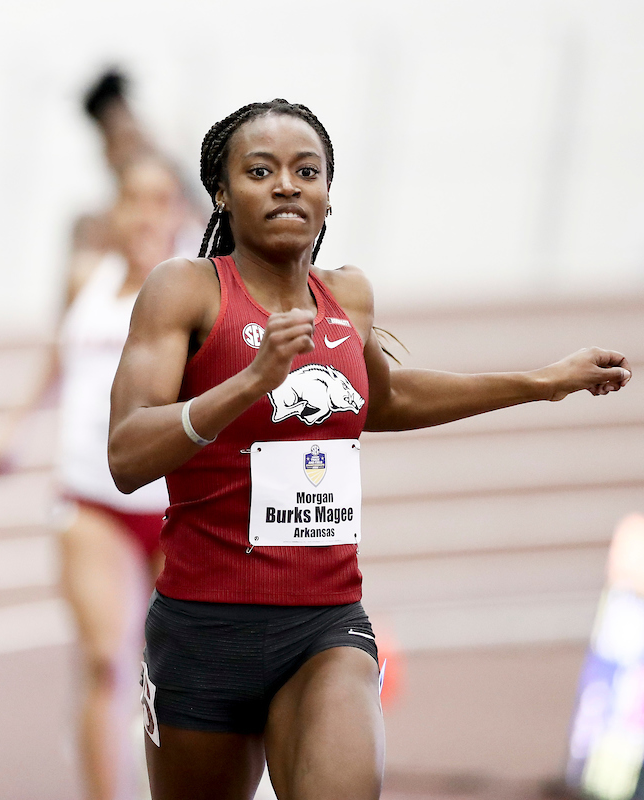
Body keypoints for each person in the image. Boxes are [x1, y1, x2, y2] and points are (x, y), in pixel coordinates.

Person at [107, 98, 632, 800]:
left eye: (307, 170)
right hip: (204, 628)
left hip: (324, 625)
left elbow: (385, 400)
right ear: (223, 193)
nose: (287, 185)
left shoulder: (348, 296)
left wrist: (541, 383)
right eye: (261, 171)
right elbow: (128, 453)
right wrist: (250, 383)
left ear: (328, 195)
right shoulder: (186, 291)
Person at [0, 73, 194, 800]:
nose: (144, 215)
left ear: (181, 215)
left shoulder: (199, 290)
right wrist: (12, 433)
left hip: (179, 505)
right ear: (115, 207)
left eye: (161, 202)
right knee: (106, 660)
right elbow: (56, 354)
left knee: (190, 669)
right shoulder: (87, 273)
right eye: (133, 200)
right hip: (91, 497)